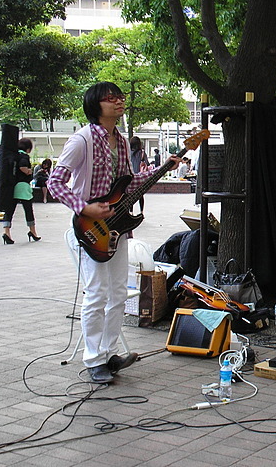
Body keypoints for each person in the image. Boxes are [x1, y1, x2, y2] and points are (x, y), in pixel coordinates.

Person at [48, 82, 179, 384]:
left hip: (116, 229)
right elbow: (55, 183)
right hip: (88, 229)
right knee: (96, 293)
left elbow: (128, 184)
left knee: (118, 292)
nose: (119, 102)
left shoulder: (120, 141)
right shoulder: (81, 140)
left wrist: (163, 168)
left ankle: (109, 354)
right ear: (97, 105)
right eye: (112, 98)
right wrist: (85, 208)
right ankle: (93, 359)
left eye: (120, 98)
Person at [1, 138, 41, 244]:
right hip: (23, 186)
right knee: (28, 209)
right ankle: (33, 231)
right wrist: (28, 171)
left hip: (12, 185)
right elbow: (22, 166)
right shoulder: (24, 156)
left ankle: (6, 232)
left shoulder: (13, 155)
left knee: (9, 210)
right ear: (28, 148)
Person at [129, 136, 149, 212]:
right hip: (140, 176)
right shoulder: (142, 153)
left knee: (130, 196)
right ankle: (141, 212)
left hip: (130, 176)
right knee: (140, 195)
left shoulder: (128, 152)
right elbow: (147, 163)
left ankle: (131, 212)